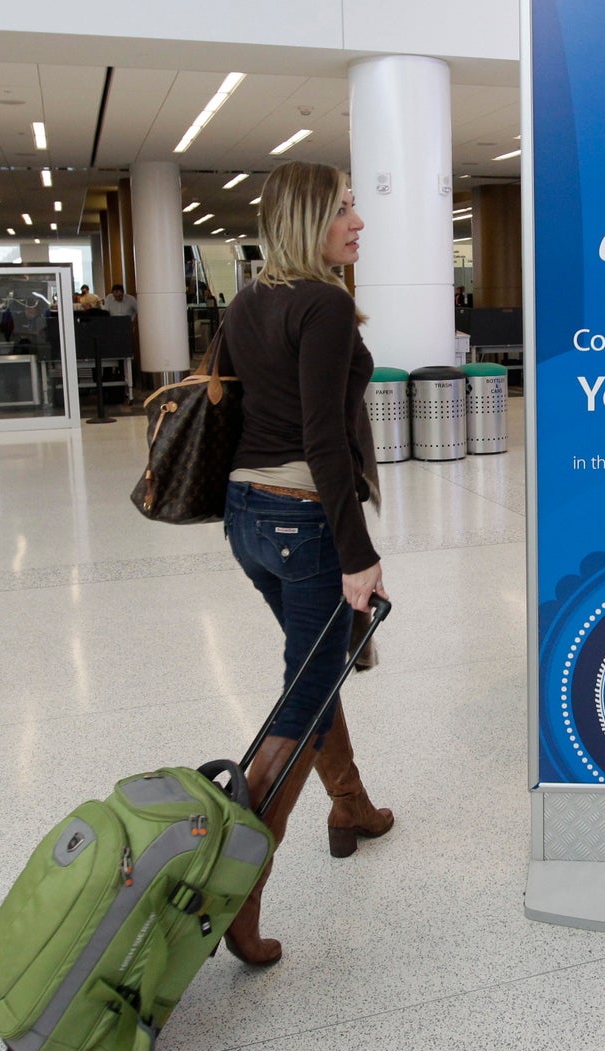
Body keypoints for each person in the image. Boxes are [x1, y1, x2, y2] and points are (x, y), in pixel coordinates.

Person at [218, 161, 393, 966]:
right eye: (345, 209)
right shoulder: (322, 303)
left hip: (248, 517)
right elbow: (323, 437)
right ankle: (238, 891)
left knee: (314, 670)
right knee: (303, 698)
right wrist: (358, 556)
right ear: (308, 220)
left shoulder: (248, 299)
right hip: (303, 519)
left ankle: (349, 803)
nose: (359, 223)